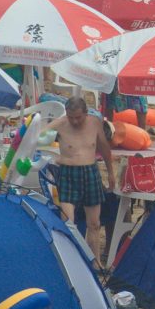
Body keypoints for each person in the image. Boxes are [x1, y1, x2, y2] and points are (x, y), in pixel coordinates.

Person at [44, 96, 115, 263]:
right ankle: (69, 261)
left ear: (85, 113)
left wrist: (111, 173)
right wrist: (54, 157)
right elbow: (36, 136)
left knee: (95, 223)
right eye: (71, 117)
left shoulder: (95, 122)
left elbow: (104, 148)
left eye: (78, 117)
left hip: (90, 171)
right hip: (68, 172)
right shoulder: (60, 123)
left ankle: (95, 262)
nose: (75, 121)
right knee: (68, 222)